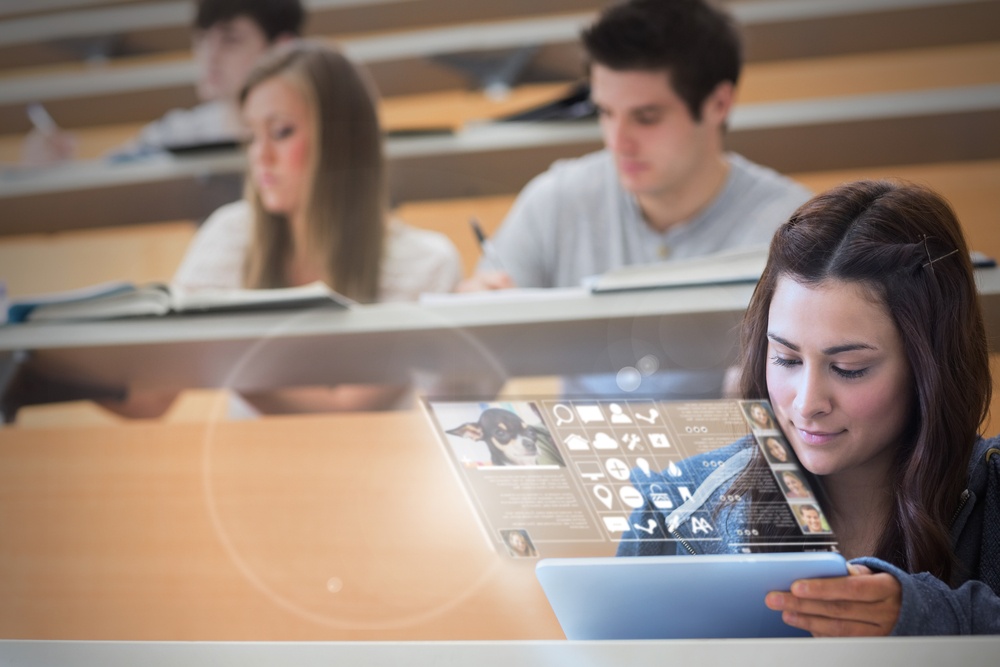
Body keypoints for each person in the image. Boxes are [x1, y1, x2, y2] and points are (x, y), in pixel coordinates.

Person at [618, 180, 1000, 635]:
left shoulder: (991, 495)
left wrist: (927, 618)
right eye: (786, 359)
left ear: (930, 367)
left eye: (849, 367)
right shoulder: (676, 506)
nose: (807, 402)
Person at [458, 0, 811, 399]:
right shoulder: (555, 199)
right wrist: (464, 339)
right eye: (605, 113)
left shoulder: (792, 228)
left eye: (646, 117)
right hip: (582, 451)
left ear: (718, 105)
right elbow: (464, 386)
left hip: (724, 455)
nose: (618, 142)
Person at [169, 41, 460, 413]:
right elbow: (151, 394)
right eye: (252, 136)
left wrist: (218, 359)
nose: (260, 156)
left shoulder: (425, 263)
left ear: (341, 142)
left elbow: (344, 409)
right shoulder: (229, 234)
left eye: (281, 132)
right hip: (250, 469)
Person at [22, 0, 304, 165]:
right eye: (202, 39)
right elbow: (112, 171)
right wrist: (51, 166)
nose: (210, 56)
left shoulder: (311, 127)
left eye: (230, 40)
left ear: (282, 47)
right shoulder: (179, 132)